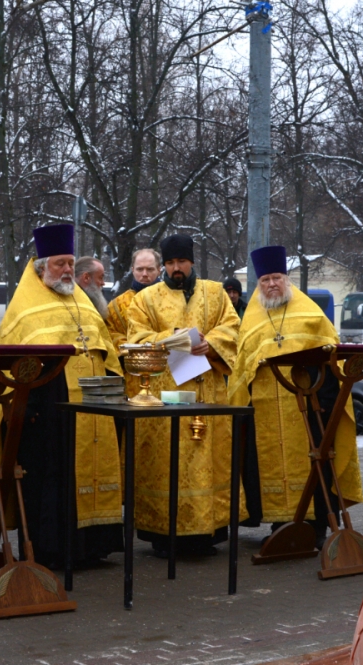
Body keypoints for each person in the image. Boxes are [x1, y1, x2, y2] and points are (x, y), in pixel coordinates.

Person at [0, 224, 124, 567]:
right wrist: (29, 409)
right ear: (41, 268)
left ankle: (90, 548)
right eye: (58, 264)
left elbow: (105, 350)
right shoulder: (25, 308)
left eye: (69, 263)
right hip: (48, 413)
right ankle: (51, 553)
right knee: (52, 480)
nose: (66, 270)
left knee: (88, 474)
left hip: (92, 410)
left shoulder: (82, 302)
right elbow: (14, 363)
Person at [228, 246, 362, 549]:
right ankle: (281, 524)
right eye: (265, 280)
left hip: (308, 409)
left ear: (286, 280)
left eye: (276, 278)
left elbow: (331, 356)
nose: (271, 284)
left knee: (312, 465)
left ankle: (314, 529)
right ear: (259, 284)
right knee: (269, 468)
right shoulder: (252, 318)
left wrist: (326, 401)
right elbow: (242, 366)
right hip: (265, 414)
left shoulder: (310, 314)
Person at [125, 234, 240, 556]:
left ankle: (208, 532)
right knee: (169, 462)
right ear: (164, 265)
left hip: (207, 389)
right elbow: (137, 336)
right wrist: (172, 338)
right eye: (171, 263)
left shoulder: (216, 293)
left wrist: (211, 343)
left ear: (192, 262)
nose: (176, 268)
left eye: (182, 262)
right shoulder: (146, 299)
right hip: (166, 394)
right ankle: (164, 535)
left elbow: (233, 327)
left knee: (208, 460)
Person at [105, 248, 161, 351]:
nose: (144, 274)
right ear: (133, 270)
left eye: (150, 269)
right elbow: (110, 333)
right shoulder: (117, 305)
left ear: (159, 270)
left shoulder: (172, 299)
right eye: (140, 269)